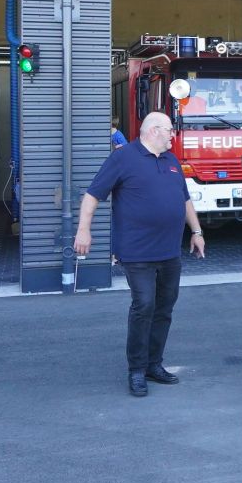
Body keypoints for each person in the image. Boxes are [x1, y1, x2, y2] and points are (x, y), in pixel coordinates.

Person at [76, 112, 206, 397]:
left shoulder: (171, 161)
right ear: (154, 131)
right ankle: (136, 370)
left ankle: (153, 364)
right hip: (137, 252)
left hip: (169, 251)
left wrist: (196, 231)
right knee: (144, 304)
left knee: (164, 307)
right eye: (169, 130)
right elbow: (92, 195)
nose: (173, 135)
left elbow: (184, 199)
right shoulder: (123, 158)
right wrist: (83, 230)